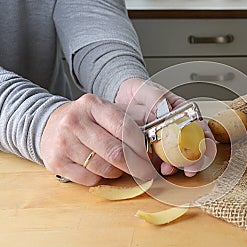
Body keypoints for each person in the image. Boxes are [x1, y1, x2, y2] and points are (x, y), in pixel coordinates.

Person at [0, 0, 213, 186]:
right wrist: (39, 119)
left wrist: (121, 80)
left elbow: (89, 12)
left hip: (65, 156)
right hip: (45, 141)